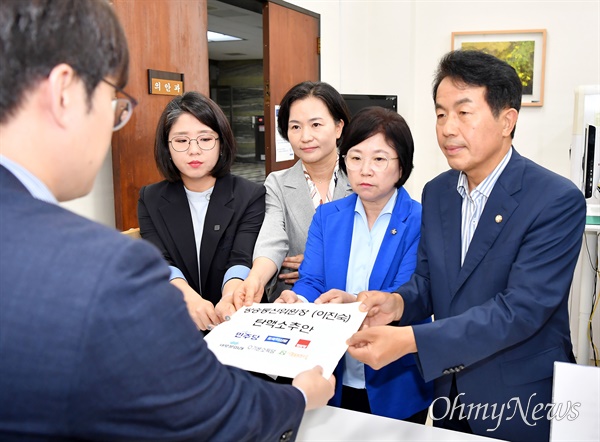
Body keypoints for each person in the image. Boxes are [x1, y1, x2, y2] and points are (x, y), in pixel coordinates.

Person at [0, 1, 334, 440]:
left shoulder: (248, 193)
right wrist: (300, 396)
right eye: (113, 102)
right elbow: (202, 410)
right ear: (65, 92)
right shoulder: (103, 266)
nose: (114, 123)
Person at [346, 50, 586, 441]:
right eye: (441, 114)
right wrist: (396, 304)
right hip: (449, 391)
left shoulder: (555, 199)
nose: (447, 128)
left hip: (518, 397)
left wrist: (409, 341)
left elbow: (520, 311)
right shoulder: (439, 192)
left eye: (463, 112)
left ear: (507, 120)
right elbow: (428, 280)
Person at [274, 106, 433, 422]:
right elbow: (311, 280)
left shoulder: (419, 219)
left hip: (395, 378)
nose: (365, 169)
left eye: (379, 159)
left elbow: (406, 293)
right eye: (355, 157)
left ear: (402, 166)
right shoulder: (328, 217)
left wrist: (351, 304)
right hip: (334, 373)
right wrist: (299, 299)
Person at [217, 81, 353, 318]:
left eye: (316, 124)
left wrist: (317, 265)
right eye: (295, 127)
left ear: (339, 127)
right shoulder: (277, 183)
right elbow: (272, 240)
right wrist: (256, 279)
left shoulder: (363, 178)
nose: (305, 136)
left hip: (353, 304)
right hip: (293, 306)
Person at [138, 91, 265, 331]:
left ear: (221, 143)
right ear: (167, 146)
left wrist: (230, 297)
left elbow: (240, 258)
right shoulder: (150, 198)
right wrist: (188, 297)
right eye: (182, 140)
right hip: (175, 320)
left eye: (205, 139)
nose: (194, 150)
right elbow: (159, 259)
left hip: (235, 319)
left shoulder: (250, 194)